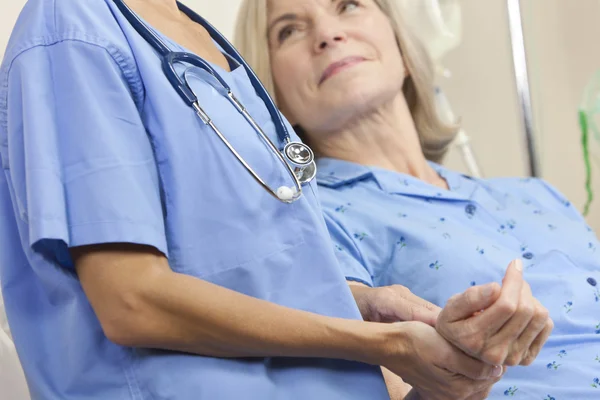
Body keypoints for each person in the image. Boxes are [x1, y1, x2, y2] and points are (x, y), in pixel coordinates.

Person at [0, 0, 523, 399]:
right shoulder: (72, 32)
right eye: (291, 30)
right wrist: (385, 345)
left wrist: (367, 306)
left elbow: (237, 268)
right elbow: (131, 302)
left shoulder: (201, 40)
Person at [233, 0, 600, 398]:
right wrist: (457, 376)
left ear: (403, 50)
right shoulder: (308, 222)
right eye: (289, 30)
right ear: (272, 95)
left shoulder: (536, 194)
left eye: (348, 5)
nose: (327, 34)